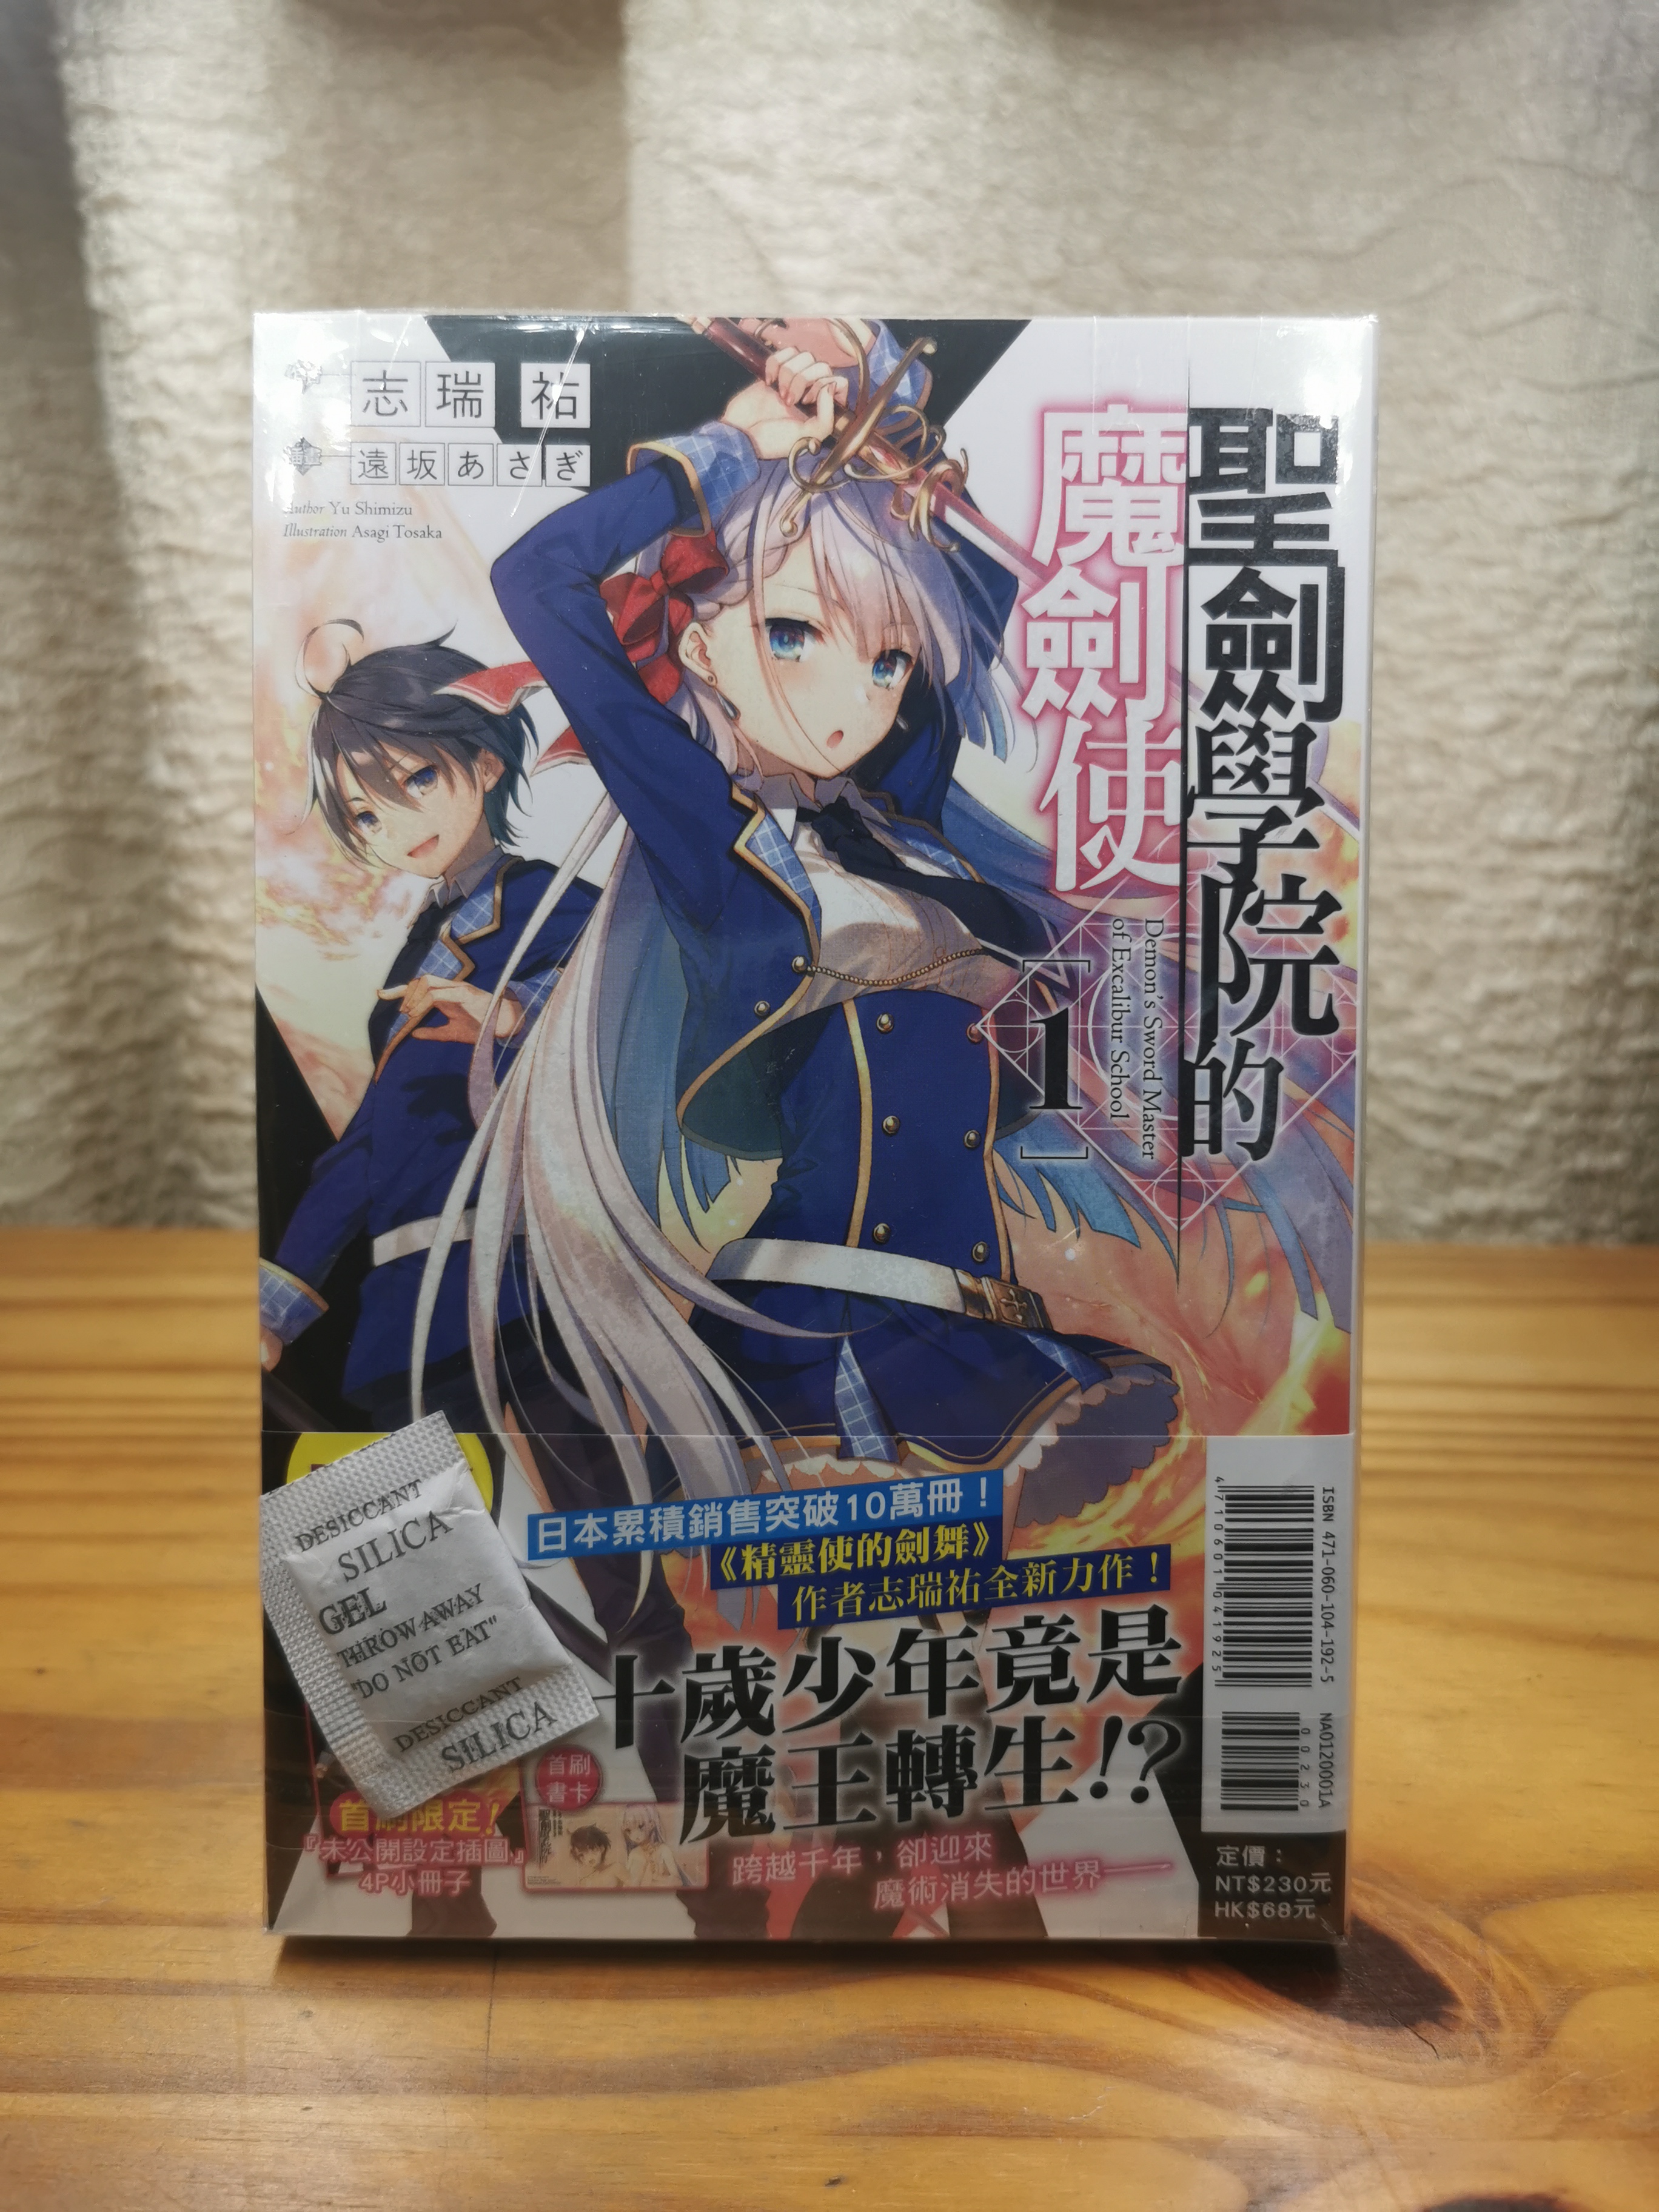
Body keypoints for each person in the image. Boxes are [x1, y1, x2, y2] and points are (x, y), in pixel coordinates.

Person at [458, 317, 1179, 1530]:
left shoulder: (906, 829)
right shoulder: (708, 827)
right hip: (818, 1334)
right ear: (701, 644)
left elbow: (992, 603)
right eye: (791, 634)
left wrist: (895, 442)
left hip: (975, 1320)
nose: (854, 700)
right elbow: (536, 581)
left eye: (890, 662)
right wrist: (731, 451)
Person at [258, 631, 600, 1436]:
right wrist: (272, 1307)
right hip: (413, 1309)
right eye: (365, 812)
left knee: (607, 1504)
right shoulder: (413, 966)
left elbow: (627, 1024)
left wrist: (510, 1017)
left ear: (485, 764)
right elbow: (368, 1148)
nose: (396, 823)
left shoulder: (556, 906)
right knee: (441, 1514)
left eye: (417, 778)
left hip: (536, 1288)